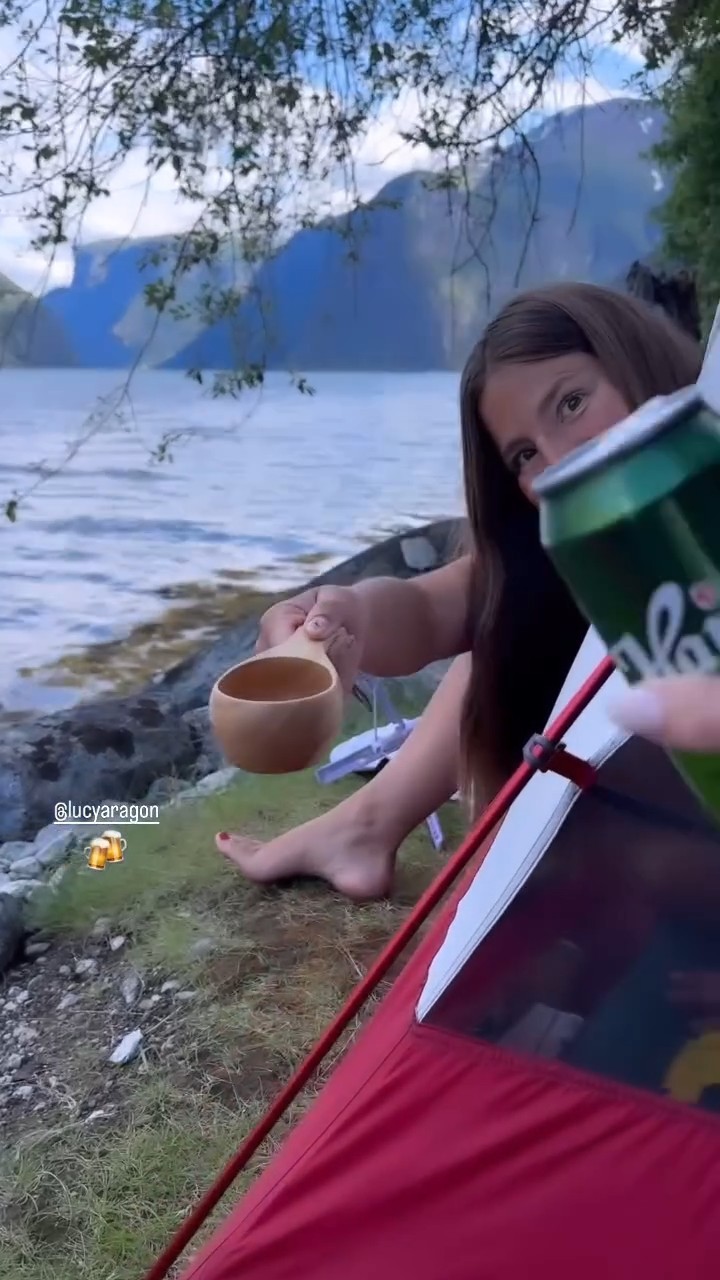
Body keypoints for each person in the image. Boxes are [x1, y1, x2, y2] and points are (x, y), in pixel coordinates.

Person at [216, 282, 702, 899]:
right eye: (524, 455)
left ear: (636, 360)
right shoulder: (568, 551)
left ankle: (366, 824)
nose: (558, 461)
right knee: (508, 609)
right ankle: (365, 826)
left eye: (572, 402)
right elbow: (429, 607)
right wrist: (343, 614)